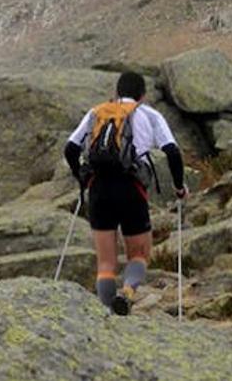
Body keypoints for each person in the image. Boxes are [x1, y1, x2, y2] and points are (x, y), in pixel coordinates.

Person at [64, 71, 188, 315]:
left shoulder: (96, 113)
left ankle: (107, 315)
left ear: (116, 92)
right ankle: (128, 292)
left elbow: (70, 149)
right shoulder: (150, 115)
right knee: (139, 255)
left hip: (99, 188)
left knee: (106, 264)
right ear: (142, 95)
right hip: (131, 189)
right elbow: (172, 152)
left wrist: (82, 176)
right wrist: (178, 187)